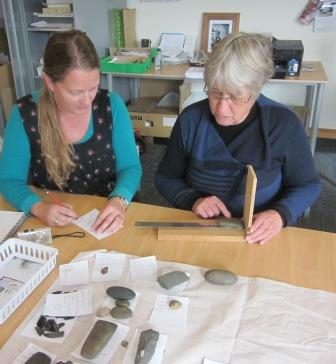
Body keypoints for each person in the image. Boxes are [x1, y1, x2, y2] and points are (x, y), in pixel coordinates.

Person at [155, 32, 321, 245]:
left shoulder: (283, 124)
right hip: (199, 228)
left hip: (258, 234)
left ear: (255, 91)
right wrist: (193, 200)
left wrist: (279, 215)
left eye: (234, 97)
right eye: (215, 93)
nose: (221, 108)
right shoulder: (191, 120)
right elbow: (165, 178)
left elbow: (307, 184)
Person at [0, 30, 142, 234]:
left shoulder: (111, 105)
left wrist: (119, 200)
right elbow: (9, 180)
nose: (87, 101)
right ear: (50, 82)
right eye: (76, 92)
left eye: (93, 88)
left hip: (110, 212)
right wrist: (38, 208)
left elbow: (130, 167)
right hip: (57, 218)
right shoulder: (25, 114)